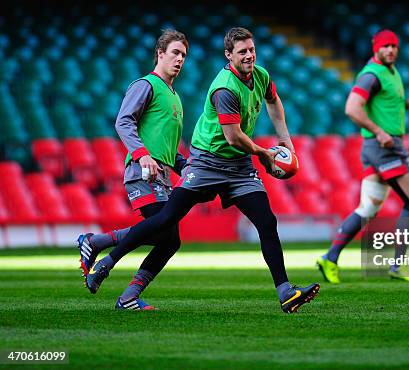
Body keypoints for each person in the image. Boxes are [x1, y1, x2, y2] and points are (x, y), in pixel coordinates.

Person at [84, 27, 319, 314]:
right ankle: (106, 260)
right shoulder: (223, 88)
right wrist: (265, 154)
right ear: (228, 55)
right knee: (166, 223)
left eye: (251, 49)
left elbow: (273, 101)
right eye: (242, 51)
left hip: (238, 166)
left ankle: (285, 292)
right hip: (208, 163)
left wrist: (285, 140)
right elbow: (232, 136)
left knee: (266, 222)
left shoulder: (258, 76)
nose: (249, 55)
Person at [77, 29, 188, 310]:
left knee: (169, 240)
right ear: (160, 53)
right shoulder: (145, 84)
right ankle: (105, 264)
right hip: (143, 172)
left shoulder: (175, 97)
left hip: (162, 174)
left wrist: (185, 165)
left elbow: (166, 146)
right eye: (175, 52)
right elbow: (123, 121)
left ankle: (123, 286)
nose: (180, 59)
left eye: (184, 55)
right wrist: (141, 156)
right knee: (163, 229)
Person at [316, 29, 409, 284]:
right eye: (386, 46)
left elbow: (384, 108)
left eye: (394, 46)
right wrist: (379, 132)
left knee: (367, 208)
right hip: (385, 146)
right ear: (375, 47)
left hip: (375, 147)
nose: (391, 50)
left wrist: (408, 104)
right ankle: (399, 265)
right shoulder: (371, 75)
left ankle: (330, 257)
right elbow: (352, 108)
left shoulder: (390, 72)